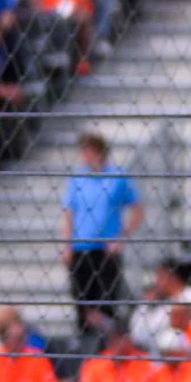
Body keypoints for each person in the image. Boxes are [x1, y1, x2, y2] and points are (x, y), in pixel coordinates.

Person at [61, 133, 138, 319]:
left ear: (97, 150)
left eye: (86, 150)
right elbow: (68, 213)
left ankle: (105, 345)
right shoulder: (77, 177)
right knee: (81, 301)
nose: (83, 155)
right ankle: (85, 340)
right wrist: (66, 245)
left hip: (106, 249)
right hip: (81, 247)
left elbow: (137, 210)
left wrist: (121, 238)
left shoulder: (117, 176)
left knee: (106, 300)